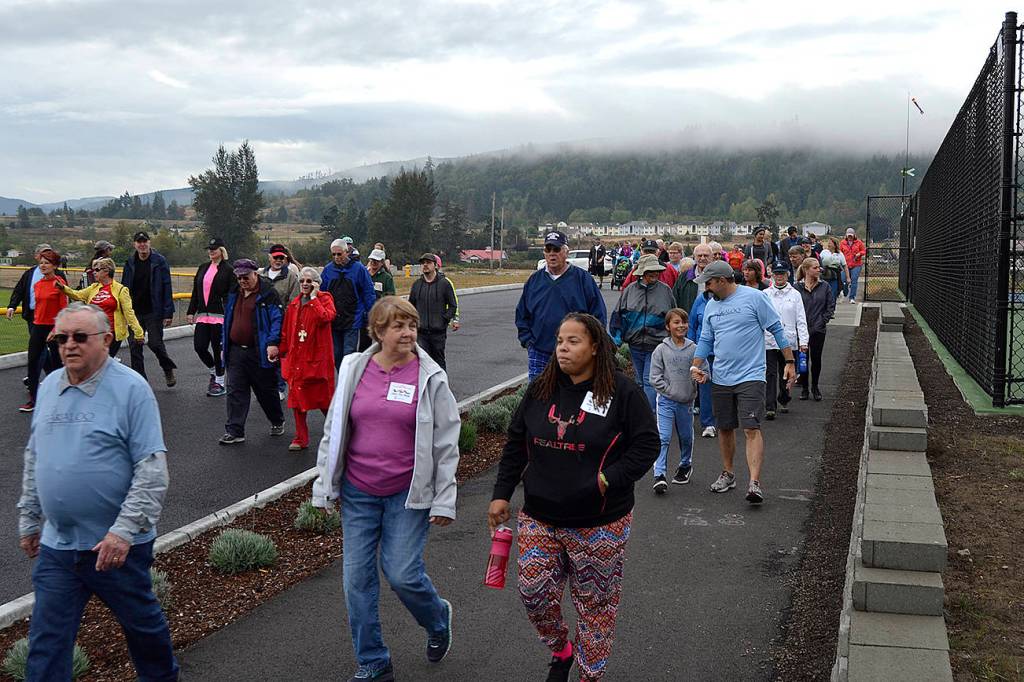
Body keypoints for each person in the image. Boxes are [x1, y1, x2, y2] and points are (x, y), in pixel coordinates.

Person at [489, 312, 659, 682]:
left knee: (595, 607)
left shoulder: (622, 393)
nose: (563, 348)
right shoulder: (540, 389)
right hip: (540, 517)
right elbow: (517, 443)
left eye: (574, 341)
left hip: (600, 523)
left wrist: (608, 479)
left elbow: (647, 445)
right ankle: (561, 649)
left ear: (595, 347)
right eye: (560, 341)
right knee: (534, 594)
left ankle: (588, 674)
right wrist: (501, 494)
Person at [17, 302, 178, 681]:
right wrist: (29, 516)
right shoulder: (50, 386)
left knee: (144, 631)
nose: (68, 345)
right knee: (47, 641)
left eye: (79, 337)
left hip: (117, 547)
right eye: (61, 338)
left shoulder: (131, 390)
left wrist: (123, 532)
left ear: (106, 340)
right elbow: (35, 456)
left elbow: (152, 469)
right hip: (59, 547)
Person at [311, 297, 459, 682]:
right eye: (398, 326)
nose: (409, 333)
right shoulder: (354, 368)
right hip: (358, 493)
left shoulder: (430, 376)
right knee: (356, 581)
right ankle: (374, 661)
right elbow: (335, 430)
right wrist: (324, 485)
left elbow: (446, 441)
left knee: (402, 573)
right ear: (378, 332)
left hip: (406, 494)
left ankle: (437, 617)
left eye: (411, 325)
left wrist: (444, 498)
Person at [690, 260, 796, 504]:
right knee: (725, 427)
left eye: (709, 282)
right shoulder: (711, 306)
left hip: (751, 375)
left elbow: (776, 329)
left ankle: (754, 482)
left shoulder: (754, 298)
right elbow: (706, 339)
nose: (706, 287)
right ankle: (728, 474)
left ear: (722, 280)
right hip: (721, 376)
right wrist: (696, 365)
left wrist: (789, 361)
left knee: (751, 427)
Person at [516, 230, 606, 380]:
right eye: (548, 249)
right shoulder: (534, 281)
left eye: (556, 249)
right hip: (540, 353)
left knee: (571, 399)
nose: (552, 253)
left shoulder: (583, 280)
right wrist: (528, 342)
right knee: (539, 399)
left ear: (566, 252)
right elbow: (522, 314)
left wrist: (591, 347)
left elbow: (598, 316)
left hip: (574, 354)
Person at [218, 259, 286, 445]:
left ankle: (276, 420)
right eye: (239, 277)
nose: (242, 281)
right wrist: (225, 345)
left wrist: (273, 343)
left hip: (259, 351)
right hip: (236, 351)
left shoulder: (268, 294)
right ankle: (235, 430)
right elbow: (229, 320)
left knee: (265, 391)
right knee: (235, 391)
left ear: (255, 273)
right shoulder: (234, 293)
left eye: (245, 277)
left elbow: (277, 320)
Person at [280, 267, 336, 451]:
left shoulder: (324, 299)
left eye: (309, 281)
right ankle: (300, 438)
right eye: (302, 281)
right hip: (297, 361)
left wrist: (313, 299)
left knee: (324, 401)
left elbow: (326, 317)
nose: (305, 284)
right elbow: (287, 331)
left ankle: (338, 433)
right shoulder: (294, 304)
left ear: (316, 284)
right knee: (297, 400)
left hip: (318, 361)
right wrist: (280, 351)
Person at [609, 255, 674, 410]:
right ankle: (641, 414)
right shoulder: (630, 290)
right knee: (639, 381)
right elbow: (618, 315)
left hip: (656, 344)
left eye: (656, 271)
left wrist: (673, 339)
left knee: (650, 379)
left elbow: (672, 316)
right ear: (642, 273)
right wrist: (616, 339)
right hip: (635, 343)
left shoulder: (665, 290)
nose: (654, 274)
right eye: (650, 271)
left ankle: (648, 414)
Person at [649, 308, 697, 493]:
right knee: (663, 437)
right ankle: (659, 474)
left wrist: (702, 377)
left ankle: (685, 464)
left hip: (686, 402)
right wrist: (669, 391)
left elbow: (704, 371)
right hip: (666, 402)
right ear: (668, 326)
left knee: (686, 437)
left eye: (684, 322)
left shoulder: (694, 348)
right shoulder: (661, 349)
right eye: (676, 322)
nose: (681, 325)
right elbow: (655, 377)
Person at [121, 231, 177, 387]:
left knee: (155, 344)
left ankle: (167, 367)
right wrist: (124, 311)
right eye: (139, 242)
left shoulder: (160, 261)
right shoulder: (130, 262)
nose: (142, 244)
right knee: (134, 346)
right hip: (134, 312)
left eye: (145, 241)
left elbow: (167, 286)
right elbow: (124, 288)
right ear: (135, 244)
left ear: (149, 243)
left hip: (154, 311)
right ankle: (140, 382)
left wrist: (168, 312)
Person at [60, 257, 144, 359]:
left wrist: (138, 332)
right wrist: (63, 288)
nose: (94, 273)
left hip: (111, 333)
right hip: (94, 332)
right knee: (94, 362)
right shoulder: (94, 288)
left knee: (101, 362)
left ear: (106, 271)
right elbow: (77, 295)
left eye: (97, 270)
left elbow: (129, 313)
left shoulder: (121, 290)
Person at [186, 237, 234, 397]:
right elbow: (196, 292)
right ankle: (214, 370)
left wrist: (229, 313)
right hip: (203, 316)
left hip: (220, 316)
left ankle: (220, 382)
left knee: (217, 349)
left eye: (214, 248)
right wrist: (191, 311)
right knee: (199, 346)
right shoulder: (203, 268)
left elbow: (232, 294)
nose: (211, 251)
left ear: (222, 250)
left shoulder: (228, 270)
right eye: (209, 249)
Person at [22, 249, 68, 413]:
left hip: (55, 327)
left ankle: (60, 397)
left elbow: (64, 309)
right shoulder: (37, 284)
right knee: (33, 362)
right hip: (38, 326)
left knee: (57, 364)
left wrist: (56, 329)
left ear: (54, 265)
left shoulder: (59, 283)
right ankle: (34, 399)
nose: (43, 265)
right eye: (41, 263)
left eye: (47, 263)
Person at [321, 238, 376, 368]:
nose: (336, 257)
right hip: (334, 320)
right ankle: (342, 383)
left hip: (353, 320)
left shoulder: (359, 269)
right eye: (333, 254)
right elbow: (322, 295)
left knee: (349, 356)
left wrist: (371, 316)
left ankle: (350, 384)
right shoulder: (328, 271)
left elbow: (368, 293)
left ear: (346, 252)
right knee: (336, 355)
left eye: (339, 254)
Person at [764, 261, 808, 419]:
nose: (779, 276)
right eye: (776, 273)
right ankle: (770, 406)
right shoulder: (765, 294)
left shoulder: (795, 295)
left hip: (788, 340)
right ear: (772, 275)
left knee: (786, 372)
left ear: (787, 275)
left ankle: (783, 398)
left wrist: (803, 341)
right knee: (770, 373)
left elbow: (801, 319)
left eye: (782, 273)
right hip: (769, 340)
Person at [408, 253, 459, 370]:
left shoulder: (444, 284)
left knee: (438, 362)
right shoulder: (417, 285)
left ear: (435, 265)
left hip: (438, 332)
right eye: (423, 263)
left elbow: (452, 305)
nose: (425, 265)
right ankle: (425, 387)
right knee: (423, 362)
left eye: (428, 262)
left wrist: (444, 320)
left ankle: (441, 386)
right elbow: (410, 307)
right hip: (421, 332)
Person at [795, 258, 836, 402]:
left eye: (819, 267)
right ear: (806, 270)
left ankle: (815, 387)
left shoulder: (824, 286)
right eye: (815, 267)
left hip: (818, 329)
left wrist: (823, 321)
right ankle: (805, 388)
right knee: (802, 360)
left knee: (816, 359)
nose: (819, 270)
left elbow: (830, 305)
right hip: (801, 330)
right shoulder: (796, 288)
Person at [686, 279, 717, 438]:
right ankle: (708, 423)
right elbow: (692, 324)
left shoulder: (728, 299)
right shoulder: (700, 299)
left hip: (723, 353)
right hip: (703, 352)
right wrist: (691, 347)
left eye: (710, 282)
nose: (707, 286)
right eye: (706, 283)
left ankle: (724, 420)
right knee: (705, 388)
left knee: (723, 388)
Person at [259, 243, 301, 309]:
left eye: (281, 258)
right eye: (275, 257)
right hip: (263, 316)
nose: (278, 260)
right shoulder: (260, 274)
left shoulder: (292, 277)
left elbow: (294, 301)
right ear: (269, 257)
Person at [839, 228, 866, 303]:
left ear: (854, 235)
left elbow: (864, 251)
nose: (850, 237)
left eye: (851, 235)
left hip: (856, 264)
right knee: (843, 280)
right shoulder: (842, 243)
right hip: (845, 265)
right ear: (846, 235)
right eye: (848, 235)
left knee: (854, 280)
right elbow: (839, 252)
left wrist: (859, 254)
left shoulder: (859, 242)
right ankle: (845, 291)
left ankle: (852, 297)